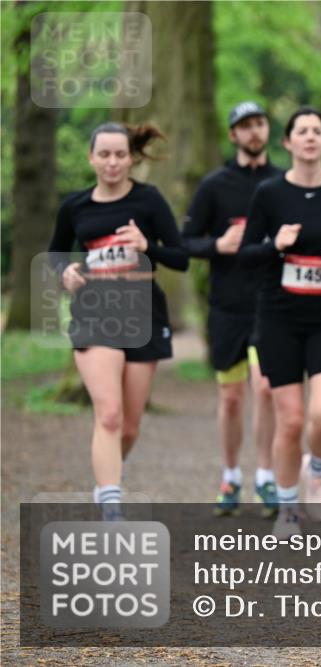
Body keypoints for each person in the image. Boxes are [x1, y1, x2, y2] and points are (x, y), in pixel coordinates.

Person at [239, 107, 321, 538]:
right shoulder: (270, 194)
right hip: (280, 319)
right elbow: (247, 255)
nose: (310, 137)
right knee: (291, 420)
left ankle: (318, 469)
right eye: (302, 131)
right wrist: (275, 244)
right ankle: (288, 508)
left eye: (318, 130)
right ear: (288, 143)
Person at [48, 122, 190, 520]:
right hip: (95, 316)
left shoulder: (149, 201)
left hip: (143, 316)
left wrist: (149, 246)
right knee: (108, 415)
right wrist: (65, 273)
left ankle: (105, 483)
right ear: (92, 157)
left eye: (120, 155)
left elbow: (180, 257)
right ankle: (112, 507)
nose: (112, 162)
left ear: (132, 158)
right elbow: (56, 252)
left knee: (128, 427)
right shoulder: (75, 206)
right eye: (104, 154)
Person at [183, 101, 282, 518]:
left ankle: (265, 476)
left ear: (268, 130)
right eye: (245, 126)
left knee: (265, 388)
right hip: (226, 306)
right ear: (233, 135)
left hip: (271, 303)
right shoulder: (213, 186)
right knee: (231, 398)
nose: (253, 132)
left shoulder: (283, 182)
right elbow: (183, 241)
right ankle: (230, 475)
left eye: (259, 124)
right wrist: (216, 245)